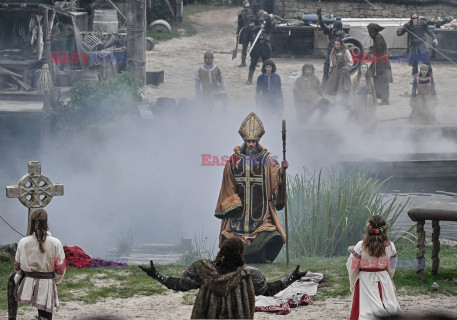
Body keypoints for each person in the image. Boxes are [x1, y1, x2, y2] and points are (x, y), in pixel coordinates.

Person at [139, 237, 307, 319]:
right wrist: (292, 277)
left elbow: (179, 285)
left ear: (222, 252)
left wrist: (156, 274)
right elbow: (269, 290)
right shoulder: (249, 275)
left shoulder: (204, 271)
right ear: (241, 253)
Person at [214, 112, 288, 263]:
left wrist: (282, 171)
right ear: (244, 142)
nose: (251, 144)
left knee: (274, 235)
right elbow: (227, 183)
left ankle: (263, 258)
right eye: (249, 141)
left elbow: (275, 176)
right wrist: (232, 203)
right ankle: (236, 259)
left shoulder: (268, 159)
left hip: (260, 212)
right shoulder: (233, 160)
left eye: (254, 141)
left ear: (258, 141)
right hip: (239, 214)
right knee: (231, 236)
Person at [8, 209, 66, 320]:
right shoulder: (55, 243)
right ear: (47, 222)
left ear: (32, 222)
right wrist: (55, 281)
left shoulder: (23, 242)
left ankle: (11, 317)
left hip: (27, 280)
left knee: (11, 278)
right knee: (45, 317)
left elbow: (17, 267)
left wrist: (25, 275)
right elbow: (60, 270)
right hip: (47, 283)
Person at [346, 215, 403, 320]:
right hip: (383, 278)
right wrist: (389, 276)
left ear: (369, 228)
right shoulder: (390, 246)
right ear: (385, 229)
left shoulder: (361, 245)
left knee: (366, 311)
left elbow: (352, 266)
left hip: (364, 279)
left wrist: (353, 282)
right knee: (389, 305)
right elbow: (393, 265)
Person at [397, 13, 438, 77]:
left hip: (421, 44)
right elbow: (400, 34)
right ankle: (415, 76)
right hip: (414, 45)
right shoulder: (408, 25)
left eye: (415, 18)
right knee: (414, 60)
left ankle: (429, 73)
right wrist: (399, 31)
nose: (414, 20)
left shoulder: (422, 23)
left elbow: (429, 31)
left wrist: (434, 38)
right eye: (413, 18)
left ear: (417, 18)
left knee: (425, 59)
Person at [317, 8, 347, 84]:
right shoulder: (331, 32)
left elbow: (346, 47)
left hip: (339, 56)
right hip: (330, 55)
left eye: (335, 28)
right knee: (326, 72)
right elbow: (322, 26)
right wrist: (319, 16)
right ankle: (324, 87)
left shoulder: (344, 36)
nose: (334, 29)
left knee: (338, 74)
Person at [367, 23, 393, 105]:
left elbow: (378, 51)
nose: (369, 33)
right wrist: (372, 48)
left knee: (382, 80)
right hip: (379, 62)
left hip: (382, 63)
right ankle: (381, 98)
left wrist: (371, 51)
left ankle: (385, 99)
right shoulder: (377, 38)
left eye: (370, 31)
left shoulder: (378, 38)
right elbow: (377, 48)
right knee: (377, 79)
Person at [247, 10, 275, 85]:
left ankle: (267, 78)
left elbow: (273, 27)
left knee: (266, 63)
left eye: (264, 16)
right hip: (256, 44)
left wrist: (269, 17)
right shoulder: (255, 21)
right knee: (253, 62)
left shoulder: (268, 21)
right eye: (262, 15)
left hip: (264, 44)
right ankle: (249, 79)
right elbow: (251, 28)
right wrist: (259, 27)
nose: (263, 17)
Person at [325, 39, 352, 105]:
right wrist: (330, 68)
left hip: (343, 71)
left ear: (341, 44)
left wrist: (348, 67)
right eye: (335, 44)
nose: (336, 46)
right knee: (333, 86)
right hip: (336, 70)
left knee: (344, 87)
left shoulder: (346, 51)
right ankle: (332, 102)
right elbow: (331, 60)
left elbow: (351, 61)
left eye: (338, 44)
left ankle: (345, 102)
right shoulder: (333, 51)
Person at [236, 0, 257, 67]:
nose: (247, 4)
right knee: (244, 47)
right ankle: (243, 62)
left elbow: (255, 20)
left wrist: (253, 24)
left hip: (252, 30)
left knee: (253, 47)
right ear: (244, 5)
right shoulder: (241, 12)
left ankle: (254, 62)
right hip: (245, 31)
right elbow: (239, 24)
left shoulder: (253, 11)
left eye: (248, 3)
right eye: (246, 3)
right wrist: (237, 32)